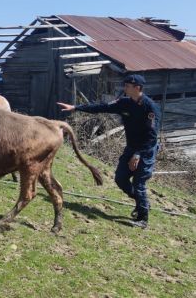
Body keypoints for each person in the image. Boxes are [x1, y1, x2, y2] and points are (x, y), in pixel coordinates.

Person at [57, 74, 160, 229]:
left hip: (145, 151)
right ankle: (141, 202)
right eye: (124, 85)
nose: (124, 88)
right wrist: (76, 107)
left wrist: (138, 154)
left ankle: (143, 218)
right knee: (120, 178)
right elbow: (101, 107)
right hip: (131, 147)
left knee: (139, 183)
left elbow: (152, 136)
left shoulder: (150, 107)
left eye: (128, 85)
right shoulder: (124, 103)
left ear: (137, 88)